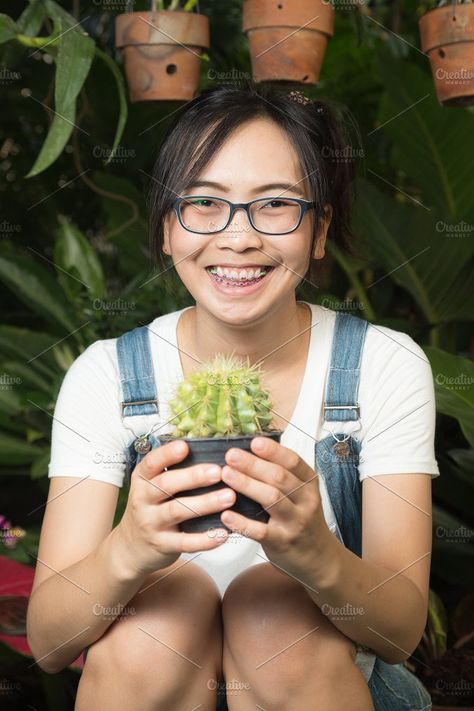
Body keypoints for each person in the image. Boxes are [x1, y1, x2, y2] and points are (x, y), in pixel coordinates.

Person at [26, 82, 438, 710]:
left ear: (319, 231)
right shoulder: (106, 374)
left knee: (270, 609)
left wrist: (316, 554)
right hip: (153, 686)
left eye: (275, 205)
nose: (238, 237)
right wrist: (130, 548)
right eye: (204, 204)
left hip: (333, 687)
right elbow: (51, 643)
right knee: (162, 617)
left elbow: (400, 633)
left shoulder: (382, 365)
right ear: (167, 229)